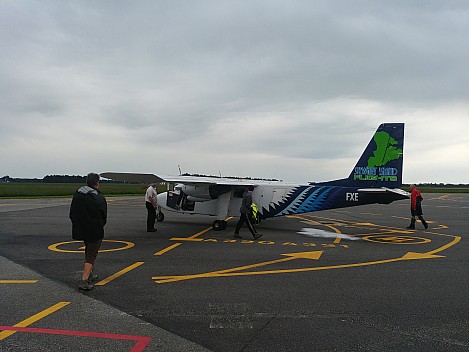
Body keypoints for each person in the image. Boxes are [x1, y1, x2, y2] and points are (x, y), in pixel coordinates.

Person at [69, 173, 107, 291]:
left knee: (88, 249)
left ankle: (89, 273)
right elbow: (103, 215)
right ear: (97, 183)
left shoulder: (78, 195)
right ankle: (84, 280)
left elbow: (72, 213)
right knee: (92, 254)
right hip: (94, 229)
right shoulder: (99, 197)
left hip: (81, 229)